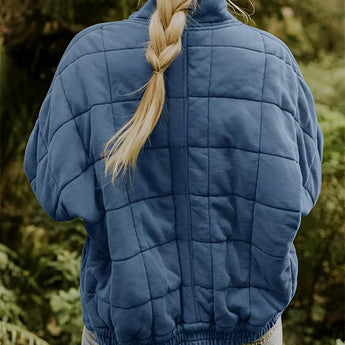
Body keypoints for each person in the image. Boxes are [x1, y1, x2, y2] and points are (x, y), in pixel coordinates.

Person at [23, 0, 323, 344]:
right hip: (250, 332)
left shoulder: (90, 58)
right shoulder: (273, 61)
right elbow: (306, 186)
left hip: (126, 329)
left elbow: (52, 190)